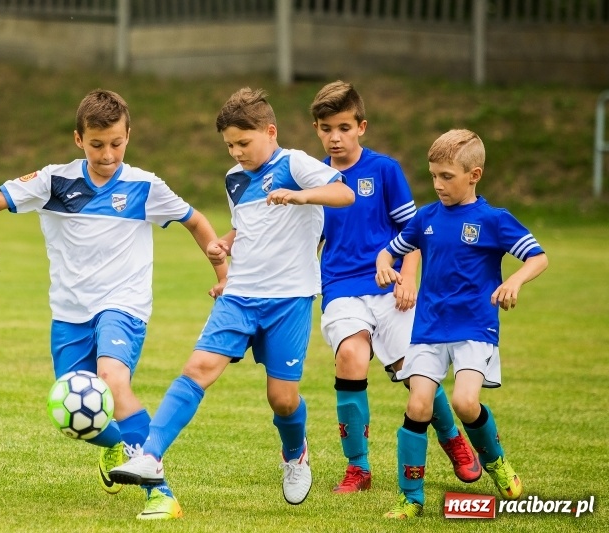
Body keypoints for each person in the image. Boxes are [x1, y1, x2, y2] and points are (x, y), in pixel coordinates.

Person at [0, 89, 227, 521]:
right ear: (78, 139)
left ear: (129, 136)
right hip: (70, 314)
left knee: (111, 378)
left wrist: (223, 274)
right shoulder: (54, 181)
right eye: (96, 144)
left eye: (116, 143)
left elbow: (196, 221)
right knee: (70, 412)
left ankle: (160, 492)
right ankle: (113, 447)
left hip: (123, 306)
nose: (107, 154)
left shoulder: (145, 186)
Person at [108, 87, 355, 510]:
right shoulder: (234, 179)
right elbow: (250, 226)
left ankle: (295, 453)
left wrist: (300, 194)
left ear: (270, 132)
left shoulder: (295, 163)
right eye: (230, 145)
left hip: (289, 299)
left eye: (244, 142)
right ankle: (150, 456)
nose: (237, 152)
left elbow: (343, 193)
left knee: (282, 398)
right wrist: (224, 244)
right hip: (239, 295)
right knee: (197, 367)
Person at [310, 81, 481, 494]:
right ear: (316, 129)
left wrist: (408, 277)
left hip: (389, 287)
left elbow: (413, 230)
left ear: (361, 126)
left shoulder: (384, 170)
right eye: (326, 128)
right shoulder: (314, 177)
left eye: (344, 127)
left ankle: (454, 441)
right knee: (350, 355)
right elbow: (305, 235)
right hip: (340, 285)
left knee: (415, 373)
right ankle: (358, 468)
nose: (335, 137)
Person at [375, 129, 548, 518]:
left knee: (464, 402)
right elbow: (388, 253)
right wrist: (387, 269)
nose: (438, 184)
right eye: (434, 175)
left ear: (474, 175)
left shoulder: (494, 220)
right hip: (429, 328)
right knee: (418, 404)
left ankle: (497, 464)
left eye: (447, 176)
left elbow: (538, 258)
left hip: (475, 327)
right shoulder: (426, 218)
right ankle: (411, 498)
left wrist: (513, 281)